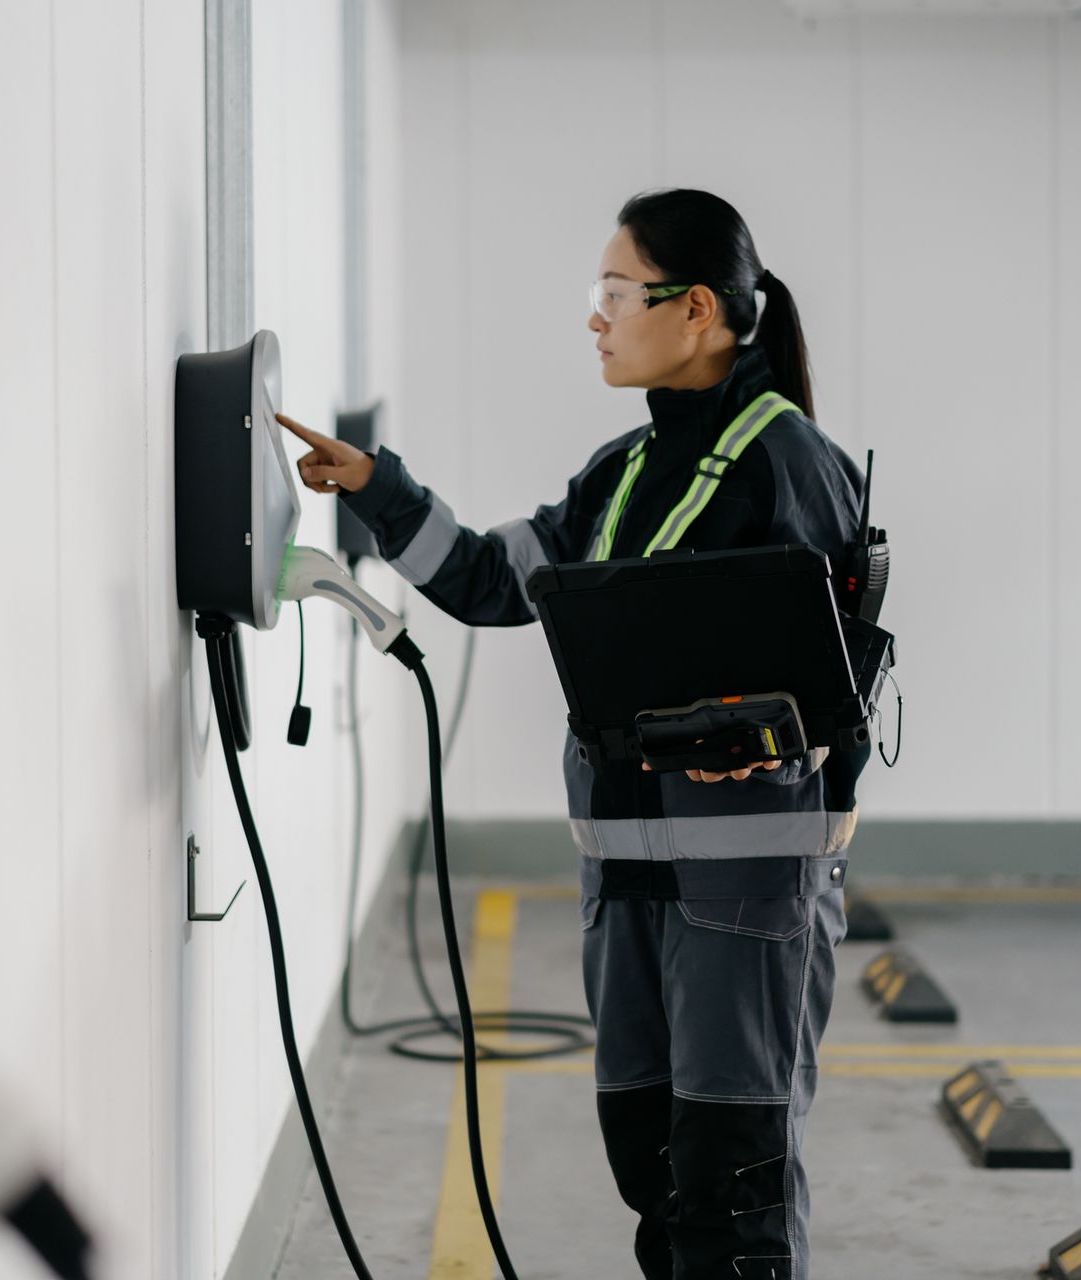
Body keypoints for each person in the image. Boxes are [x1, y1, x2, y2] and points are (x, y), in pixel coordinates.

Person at [279, 188, 867, 1280]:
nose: (595, 317)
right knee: (654, 1167)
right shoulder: (623, 473)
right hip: (631, 893)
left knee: (732, 1184)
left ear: (696, 309)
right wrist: (378, 490)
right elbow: (494, 577)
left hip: (743, 903)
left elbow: (827, 695)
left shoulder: (789, 462)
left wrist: (768, 732)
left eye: (613, 291)